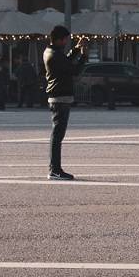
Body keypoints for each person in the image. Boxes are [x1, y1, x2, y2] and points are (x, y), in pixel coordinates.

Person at [42, 26, 87, 181]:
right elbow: (73, 70)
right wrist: (83, 56)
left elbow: (66, 62)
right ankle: (54, 169)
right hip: (60, 97)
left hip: (58, 96)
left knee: (57, 135)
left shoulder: (51, 52)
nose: (66, 42)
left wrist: (76, 49)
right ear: (59, 39)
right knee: (57, 135)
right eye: (65, 40)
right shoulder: (54, 55)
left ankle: (55, 169)